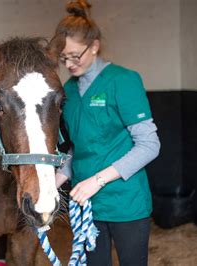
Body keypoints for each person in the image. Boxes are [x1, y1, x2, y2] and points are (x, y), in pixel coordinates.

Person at [54, 1, 161, 265]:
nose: (68, 64)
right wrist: (56, 178)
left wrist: (97, 181)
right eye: (62, 57)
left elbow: (149, 144)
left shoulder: (123, 81)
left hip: (125, 201)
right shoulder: (68, 91)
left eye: (74, 56)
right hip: (86, 205)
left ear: (94, 47)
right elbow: (78, 147)